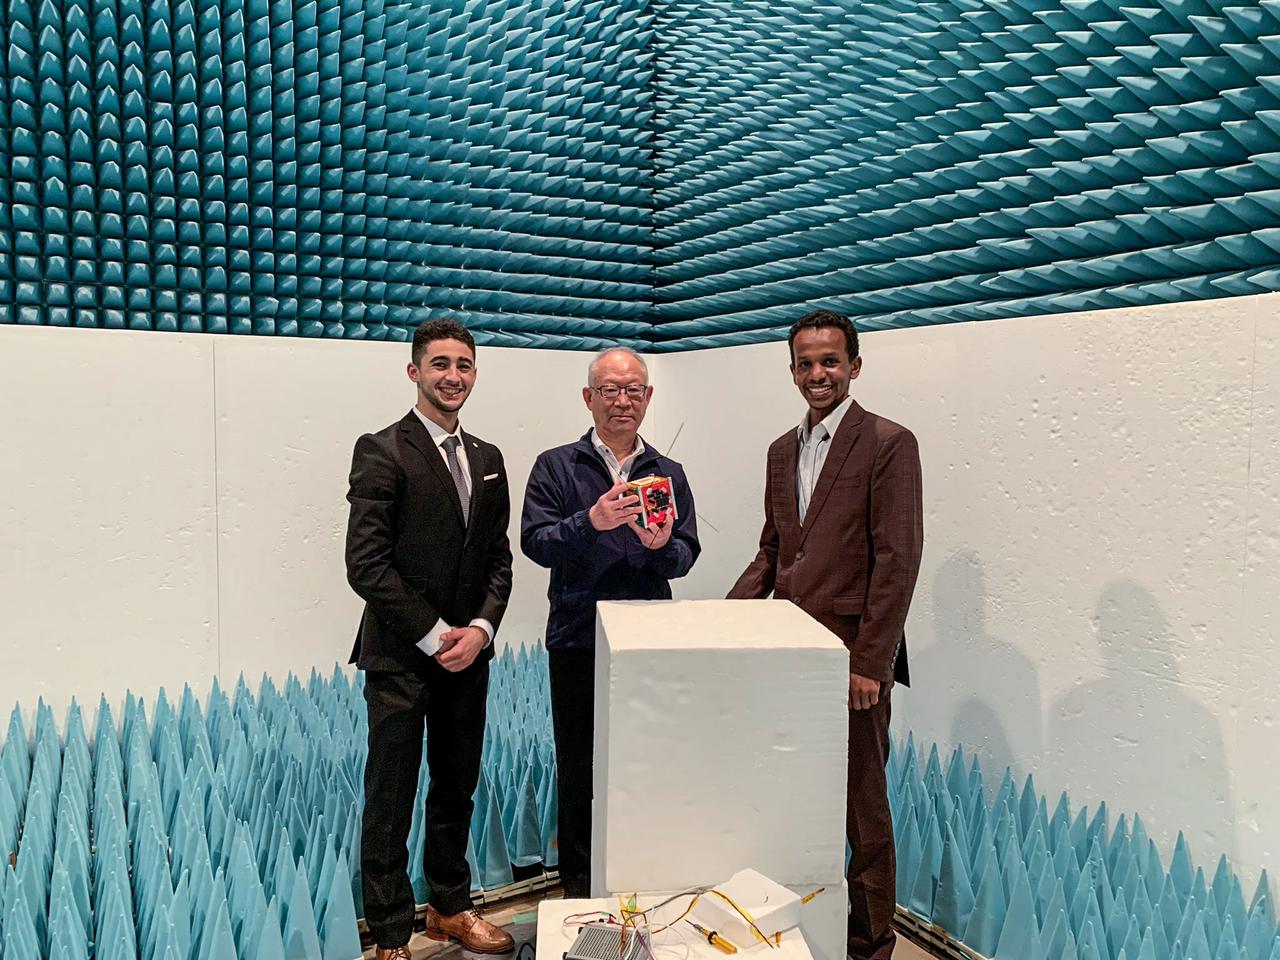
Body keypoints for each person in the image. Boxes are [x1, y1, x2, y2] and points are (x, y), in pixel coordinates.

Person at [727, 310, 923, 960]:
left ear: (854, 366)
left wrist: (870, 662)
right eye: (806, 363)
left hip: (851, 667)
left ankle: (870, 944)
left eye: (830, 361)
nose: (818, 373)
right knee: (793, 802)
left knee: (862, 812)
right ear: (791, 371)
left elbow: (898, 559)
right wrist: (724, 616)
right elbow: (776, 550)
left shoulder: (890, 443)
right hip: (789, 656)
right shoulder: (781, 450)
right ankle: (802, 926)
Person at [345, 318, 515, 959]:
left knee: (455, 785)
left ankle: (449, 906)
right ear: (414, 371)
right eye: (439, 364)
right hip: (399, 658)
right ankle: (390, 937)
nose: (453, 376)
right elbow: (366, 564)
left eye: (464, 365)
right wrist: (434, 633)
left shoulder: (490, 459)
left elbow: (498, 560)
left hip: (468, 657)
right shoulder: (382, 449)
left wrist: (480, 629)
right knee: (391, 794)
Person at [520, 347, 701, 898]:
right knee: (579, 770)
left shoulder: (668, 473)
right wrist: (589, 521)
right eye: (610, 390)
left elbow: (687, 554)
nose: (622, 401)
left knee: (647, 761)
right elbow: (534, 543)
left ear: (648, 398)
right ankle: (579, 889)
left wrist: (658, 548)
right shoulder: (557, 465)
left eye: (633, 391)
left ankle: (643, 878)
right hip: (578, 638)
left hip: (649, 642)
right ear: (588, 397)